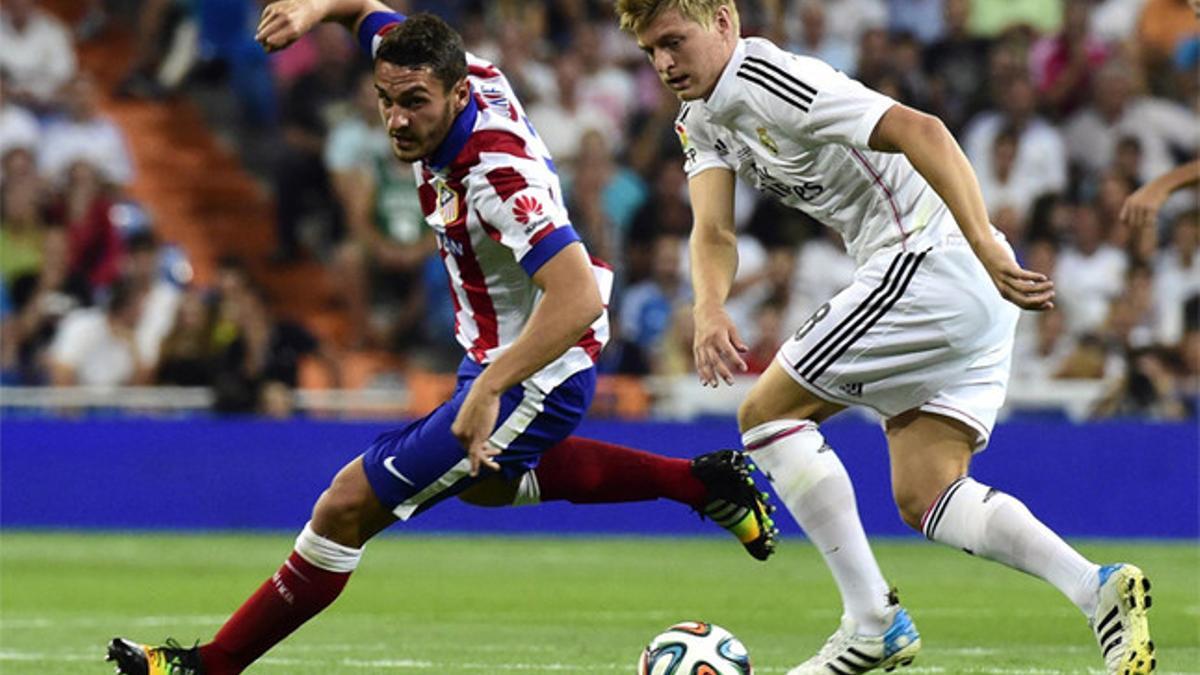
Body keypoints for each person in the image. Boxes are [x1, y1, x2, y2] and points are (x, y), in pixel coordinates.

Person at [106, 4, 776, 674]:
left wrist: (490, 386)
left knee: (344, 505)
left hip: (537, 371)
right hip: (494, 352)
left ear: (458, 94)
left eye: (415, 103)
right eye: (386, 101)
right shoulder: (454, 71)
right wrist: (313, 11)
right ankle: (702, 482)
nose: (397, 119)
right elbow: (366, 12)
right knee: (486, 484)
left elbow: (573, 297)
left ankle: (209, 666)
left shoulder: (497, 177)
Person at [614, 2, 1156, 674]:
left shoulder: (767, 78)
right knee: (927, 491)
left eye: (673, 41)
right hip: (946, 276)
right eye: (648, 52)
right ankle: (1094, 587)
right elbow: (715, 231)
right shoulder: (699, 117)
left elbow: (919, 128)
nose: (664, 63)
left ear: (724, 22)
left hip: (932, 258)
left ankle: (872, 620)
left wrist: (983, 241)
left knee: (765, 414)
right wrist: (710, 305)